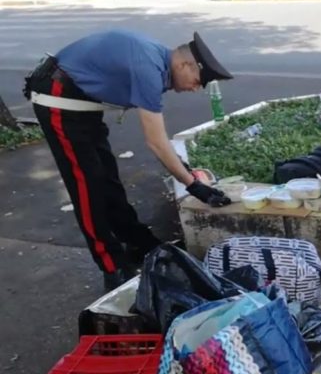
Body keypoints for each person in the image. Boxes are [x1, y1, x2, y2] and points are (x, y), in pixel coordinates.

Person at [24, 29, 234, 291]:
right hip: (58, 97)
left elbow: (161, 141)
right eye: (197, 80)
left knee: (107, 178)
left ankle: (138, 242)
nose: (196, 88)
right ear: (184, 64)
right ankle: (112, 266)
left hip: (80, 100)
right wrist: (194, 185)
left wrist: (186, 172)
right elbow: (157, 142)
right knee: (87, 186)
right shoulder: (149, 71)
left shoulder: (157, 60)